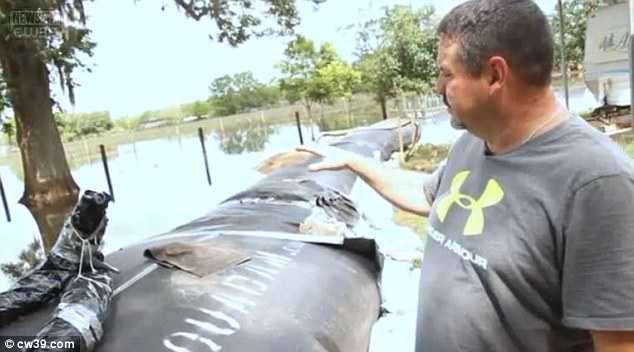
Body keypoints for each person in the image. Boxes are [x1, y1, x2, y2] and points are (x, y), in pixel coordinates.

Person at [296, 0, 634, 351]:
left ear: (495, 75)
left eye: (447, 73)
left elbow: (619, 344)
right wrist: (356, 162)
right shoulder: (474, 142)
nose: (437, 87)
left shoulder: (596, 184)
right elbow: (428, 196)